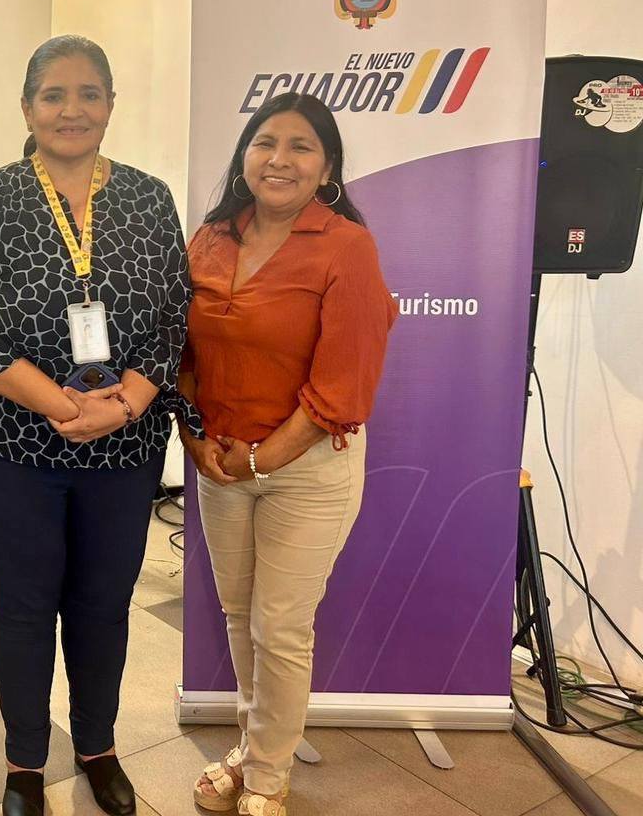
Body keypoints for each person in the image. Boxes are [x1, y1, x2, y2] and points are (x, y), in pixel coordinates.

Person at [0, 35, 191, 816]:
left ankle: (98, 747)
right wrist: (59, 403)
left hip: (125, 444)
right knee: (23, 606)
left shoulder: (148, 199)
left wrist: (128, 402)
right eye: (53, 95)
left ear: (110, 105)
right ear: (27, 108)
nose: (71, 110)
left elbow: (175, 317)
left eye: (88, 94)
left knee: (102, 604)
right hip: (8, 444)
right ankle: (24, 765)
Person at [184, 93, 397, 816]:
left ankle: (268, 778)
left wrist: (260, 460)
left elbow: (343, 386)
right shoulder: (210, 238)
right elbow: (180, 354)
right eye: (264, 142)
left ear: (327, 168)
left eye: (301, 146)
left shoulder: (346, 247)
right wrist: (196, 438)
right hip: (220, 465)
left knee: (279, 627)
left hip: (306, 471)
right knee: (239, 615)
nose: (279, 159)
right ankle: (253, 748)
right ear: (244, 156)